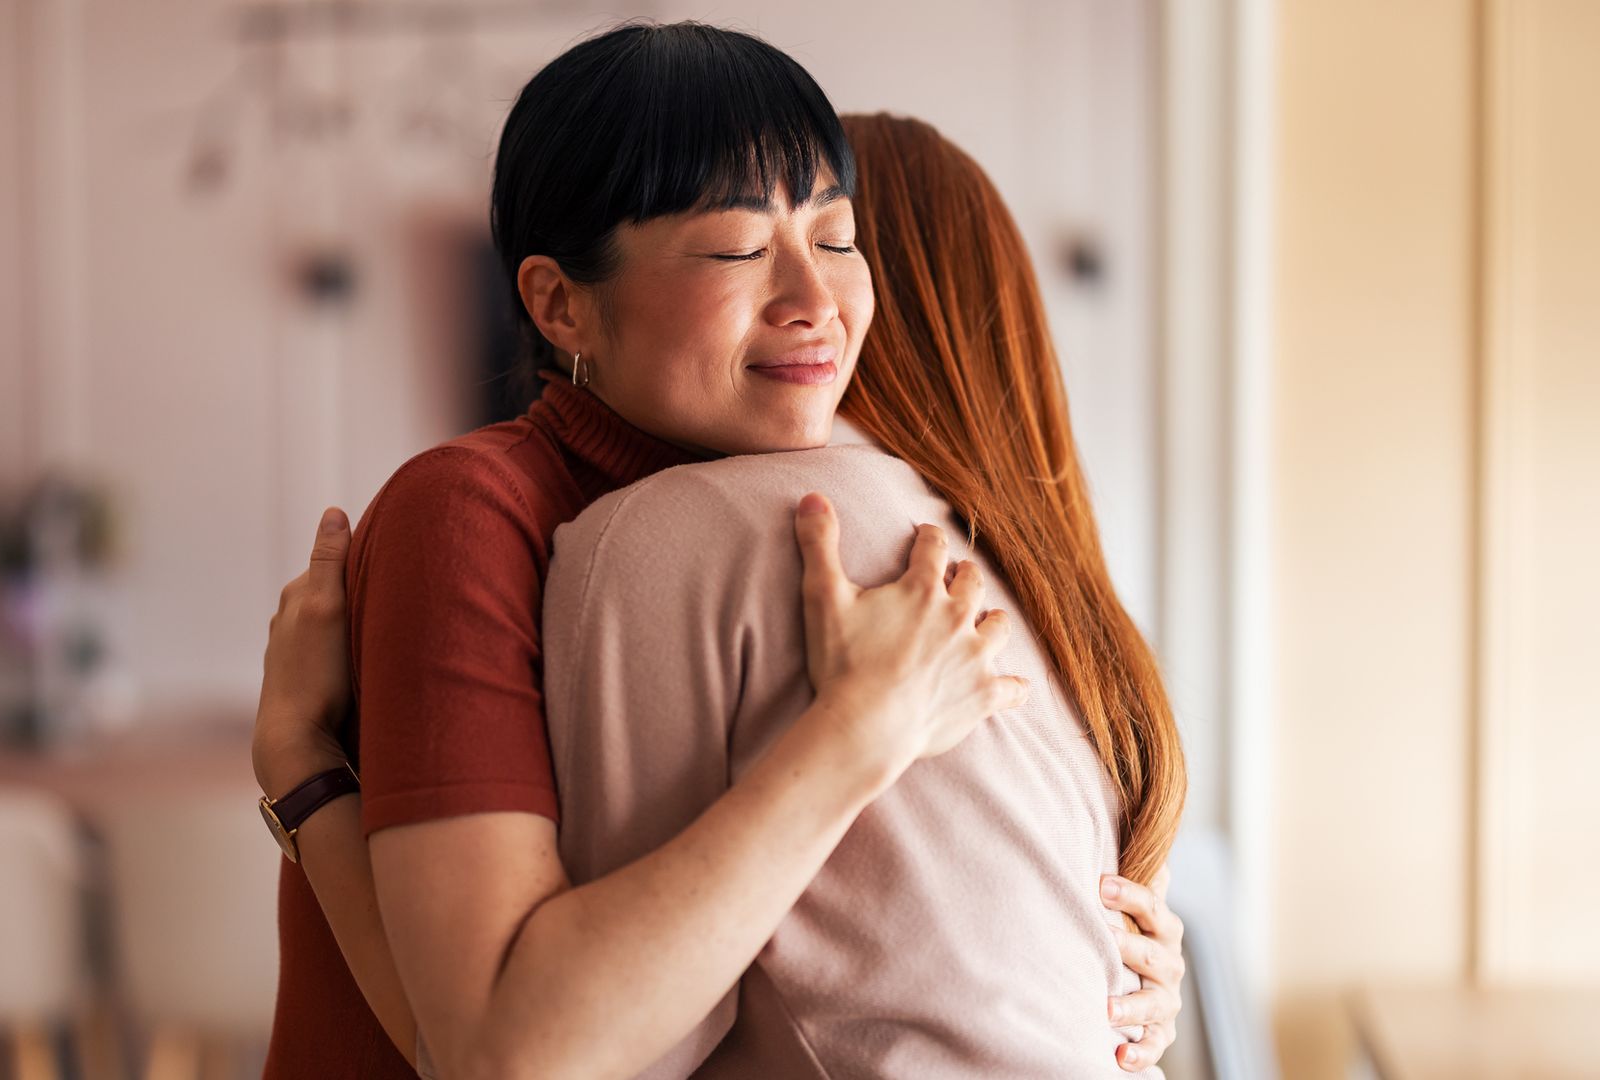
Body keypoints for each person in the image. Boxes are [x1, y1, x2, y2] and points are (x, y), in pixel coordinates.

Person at [254, 22, 1180, 1079]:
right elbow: (493, 1050)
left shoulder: (779, 528)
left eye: (836, 238)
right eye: (739, 249)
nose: (815, 302)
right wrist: (304, 775)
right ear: (560, 304)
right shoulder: (471, 511)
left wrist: (1089, 965)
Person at [537, 112, 1186, 1075]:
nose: (797, 285)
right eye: (741, 245)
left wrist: (310, 790)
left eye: (830, 237)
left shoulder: (675, 534)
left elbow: (572, 1050)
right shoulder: (1054, 596)